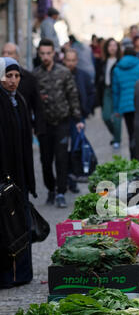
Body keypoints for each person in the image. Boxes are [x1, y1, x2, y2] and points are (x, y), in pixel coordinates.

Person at [0, 57, 36, 289]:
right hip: (4, 174)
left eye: (16, 76)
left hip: (19, 174)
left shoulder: (19, 101)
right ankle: (6, 276)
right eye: (8, 76)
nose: (13, 81)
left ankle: (21, 274)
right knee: (5, 225)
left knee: (20, 223)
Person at [34, 38, 83, 208]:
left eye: (48, 53)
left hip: (62, 123)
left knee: (62, 159)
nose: (46, 56)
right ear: (39, 54)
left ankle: (61, 192)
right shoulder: (36, 75)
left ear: (54, 53)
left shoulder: (64, 73)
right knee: (46, 160)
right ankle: (51, 189)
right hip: (44, 125)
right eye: (43, 53)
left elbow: (73, 96)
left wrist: (77, 119)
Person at [63, 49, 96, 191]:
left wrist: (86, 109)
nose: (70, 63)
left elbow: (91, 92)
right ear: (64, 60)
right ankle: (65, 179)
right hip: (63, 118)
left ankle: (73, 179)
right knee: (63, 150)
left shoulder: (83, 75)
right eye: (68, 60)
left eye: (73, 60)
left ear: (76, 61)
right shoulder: (60, 74)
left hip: (78, 117)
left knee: (76, 148)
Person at [1, 42, 46, 138]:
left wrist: (38, 127)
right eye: (3, 53)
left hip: (23, 127)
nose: (5, 55)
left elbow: (37, 104)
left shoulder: (29, 78)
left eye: (9, 53)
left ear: (17, 56)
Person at [112, 46, 139, 157]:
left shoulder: (117, 69)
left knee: (131, 134)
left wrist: (116, 109)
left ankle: (133, 158)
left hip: (125, 107)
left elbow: (115, 91)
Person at [98, 38, 122, 149]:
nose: (112, 48)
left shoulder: (120, 62)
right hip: (106, 90)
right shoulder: (103, 62)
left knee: (117, 117)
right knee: (106, 116)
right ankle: (115, 134)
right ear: (106, 48)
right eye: (110, 45)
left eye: (114, 45)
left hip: (117, 90)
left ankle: (117, 139)